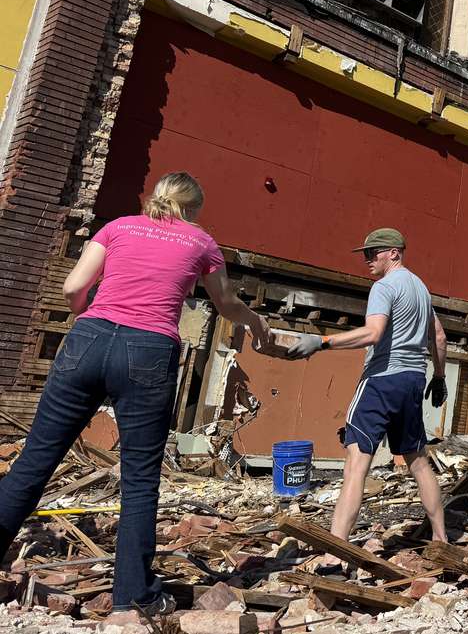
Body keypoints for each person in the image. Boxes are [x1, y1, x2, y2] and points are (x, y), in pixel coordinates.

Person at [0, 172, 271, 613]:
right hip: (148, 349)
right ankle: (134, 597)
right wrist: (256, 324)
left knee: (35, 460)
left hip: (88, 338)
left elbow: (73, 287)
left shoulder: (117, 227)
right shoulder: (201, 243)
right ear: (194, 209)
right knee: (140, 480)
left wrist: (88, 316)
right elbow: (225, 304)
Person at [286, 228, 449, 549]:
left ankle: (336, 550)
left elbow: (373, 333)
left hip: (381, 380)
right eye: (365, 254)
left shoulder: (384, 287)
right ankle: (442, 539)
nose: (367, 260)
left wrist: (321, 341)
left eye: (373, 253)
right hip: (414, 381)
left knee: (356, 462)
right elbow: (439, 337)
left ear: (395, 253)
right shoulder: (421, 289)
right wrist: (440, 377)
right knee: (418, 461)